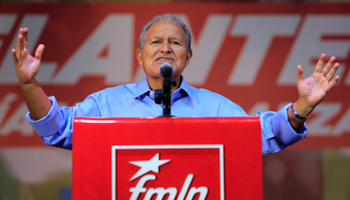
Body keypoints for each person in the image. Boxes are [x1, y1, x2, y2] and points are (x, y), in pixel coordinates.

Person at [12, 14, 339, 154]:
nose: (165, 48)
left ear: (188, 56)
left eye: (175, 43)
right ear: (139, 56)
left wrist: (303, 107)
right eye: (156, 42)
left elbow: (265, 135)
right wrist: (29, 85)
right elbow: (56, 129)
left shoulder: (216, 108)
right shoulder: (104, 105)